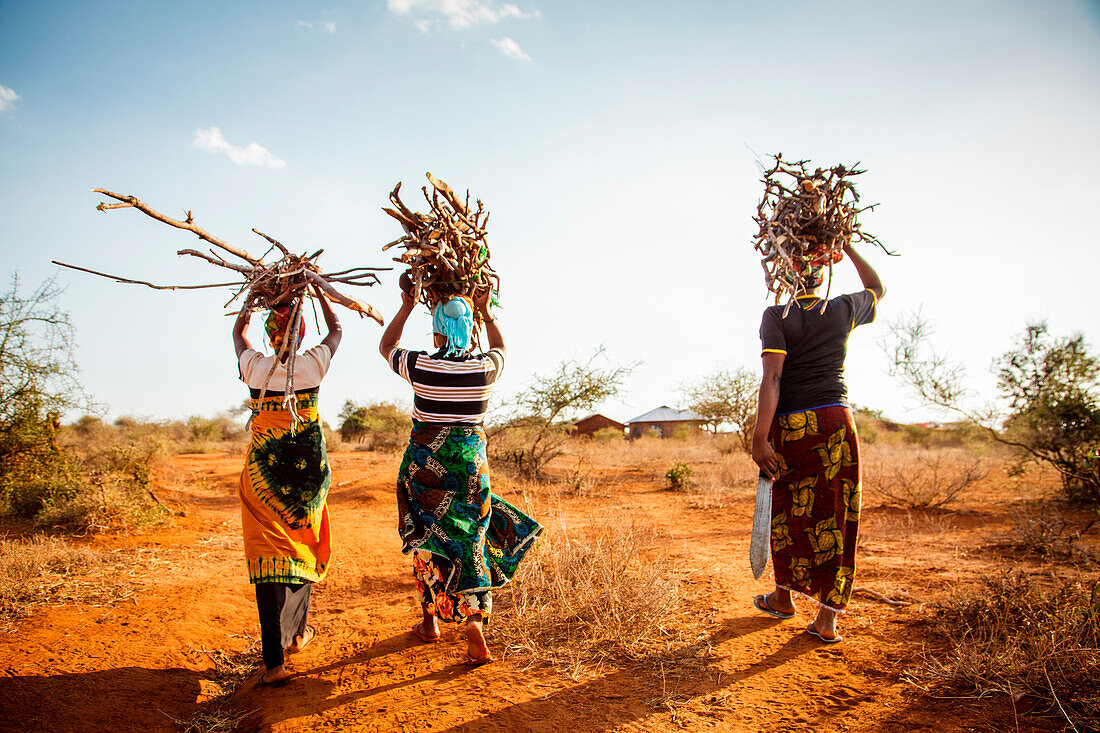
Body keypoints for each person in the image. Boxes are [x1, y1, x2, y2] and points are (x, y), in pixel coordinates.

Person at [379, 282, 541, 666]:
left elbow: (386, 347)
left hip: (425, 472)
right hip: (471, 469)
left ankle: (429, 622)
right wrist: (487, 311)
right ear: (470, 330)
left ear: (436, 329)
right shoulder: (485, 369)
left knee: (426, 537)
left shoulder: (421, 366)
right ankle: (475, 624)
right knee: (472, 538)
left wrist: (404, 307)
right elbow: (501, 349)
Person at [750, 243, 884, 644]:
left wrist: (760, 437)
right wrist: (847, 246)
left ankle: (782, 598)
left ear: (783, 280)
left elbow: (772, 380)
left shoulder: (777, 315)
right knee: (836, 513)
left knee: (789, 512)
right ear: (821, 277)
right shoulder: (841, 309)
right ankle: (827, 620)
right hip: (837, 422)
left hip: (793, 426)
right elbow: (877, 286)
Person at [232, 285, 342, 686]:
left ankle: (275, 661)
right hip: (308, 476)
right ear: (299, 333)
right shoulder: (313, 364)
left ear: (271, 333)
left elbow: (237, 336)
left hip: (264, 479)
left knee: (268, 559)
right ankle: (295, 634)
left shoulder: (256, 368)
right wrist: (320, 293)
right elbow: (337, 329)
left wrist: (248, 302)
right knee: (301, 546)